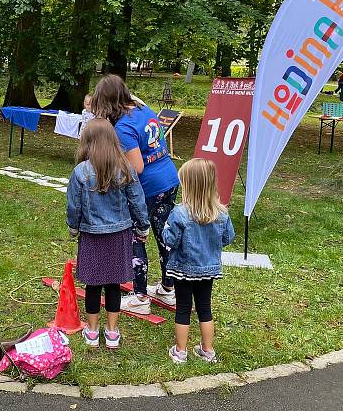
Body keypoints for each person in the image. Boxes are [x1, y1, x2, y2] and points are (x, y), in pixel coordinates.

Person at [91, 74, 180, 314]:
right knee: (165, 237)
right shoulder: (144, 110)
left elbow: (135, 168)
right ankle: (168, 288)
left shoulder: (123, 127)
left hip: (149, 189)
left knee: (136, 237)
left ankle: (140, 297)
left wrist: (110, 178)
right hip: (169, 180)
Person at [66, 118, 150, 349]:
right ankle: (112, 332)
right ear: (113, 140)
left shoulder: (80, 172)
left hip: (92, 236)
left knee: (93, 284)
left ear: (87, 142)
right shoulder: (125, 168)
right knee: (113, 284)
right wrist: (143, 227)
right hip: (119, 235)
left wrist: (73, 227)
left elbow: (74, 206)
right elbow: (138, 201)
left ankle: (92, 332)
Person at [163, 158, 235, 364]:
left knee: (183, 308)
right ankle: (207, 350)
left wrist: (165, 228)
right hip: (208, 269)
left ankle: (180, 351)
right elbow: (228, 238)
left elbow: (170, 240)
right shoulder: (221, 213)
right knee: (205, 308)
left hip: (183, 269)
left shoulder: (180, 213)